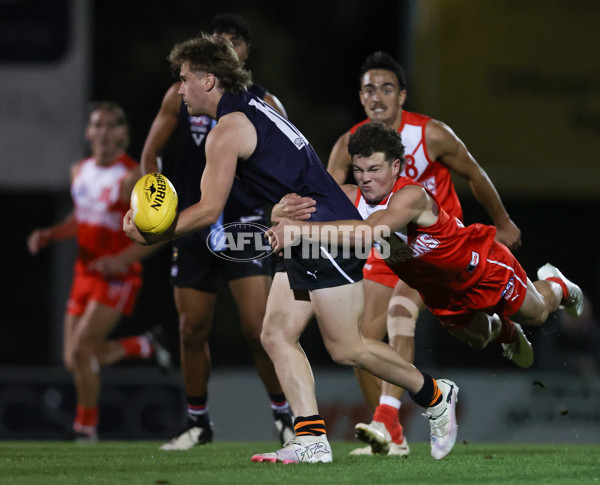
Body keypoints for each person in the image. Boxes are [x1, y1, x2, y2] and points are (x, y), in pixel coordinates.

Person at [123, 34, 461, 463]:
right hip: (303, 229)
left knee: (347, 348)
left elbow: (210, 210)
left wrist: (153, 234)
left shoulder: (226, 130)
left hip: (323, 235)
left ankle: (435, 395)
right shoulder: (248, 102)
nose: (180, 90)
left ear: (209, 81)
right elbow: (285, 164)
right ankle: (311, 438)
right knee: (276, 333)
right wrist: (280, 206)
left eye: (185, 79)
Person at [270, 122, 584, 453]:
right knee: (480, 338)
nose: (365, 178)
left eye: (374, 169)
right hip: (438, 292)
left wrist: (300, 232)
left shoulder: (410, 196)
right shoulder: (350, 198)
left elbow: (367, 232)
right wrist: (281, 213)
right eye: (359, 169)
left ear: (396, 166)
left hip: (482, 267)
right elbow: (302, 211)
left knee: (535, 315)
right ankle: (507, 332)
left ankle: (558, 286)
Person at [326, 51, 522, 456]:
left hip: (436, 247)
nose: (376, 96)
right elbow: (329, 195)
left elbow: (474, 173)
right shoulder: (352, 143)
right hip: (387, 248)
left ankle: (388, 418)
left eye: (386, 88)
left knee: (401, 316)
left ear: (402, 96)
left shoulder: (429, 133)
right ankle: (392, 430)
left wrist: (503, 222)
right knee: (360, 341)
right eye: (368, 89)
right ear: (360, 97)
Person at [140, 13, 292, 450]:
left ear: (245, 53)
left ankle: (283, 415)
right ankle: (197, 422)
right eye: (219, 42)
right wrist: (151, 196)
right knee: (191, 330)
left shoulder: (263, 104)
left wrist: (284, 209)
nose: (227, 48)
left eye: (235, 42)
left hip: (244, 225)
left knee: (258, 327)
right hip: (193, 226)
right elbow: (151, 153)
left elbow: (288, 163)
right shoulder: (182, 94)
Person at [27, 102, 172, 442]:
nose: (104, 132)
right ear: (88, 132)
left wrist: (122, 259)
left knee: (81, 352)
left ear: (124, 133)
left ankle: (86, 427)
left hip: (117, 275)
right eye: (98, 125)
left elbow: (162, 232)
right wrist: (51, 234)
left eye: (112, 125)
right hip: (84, 273)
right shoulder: (80, 170)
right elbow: (83, 218)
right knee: (73, 358)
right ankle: (143, 346)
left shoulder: (133, 176)